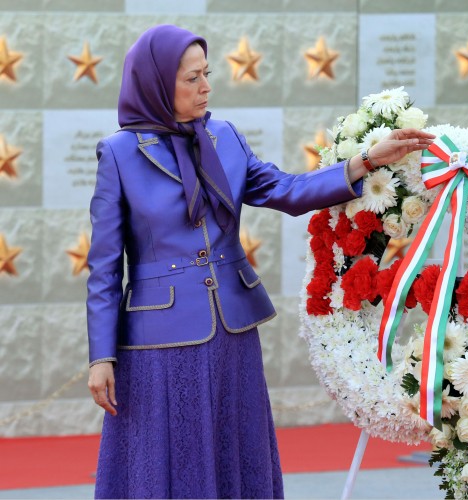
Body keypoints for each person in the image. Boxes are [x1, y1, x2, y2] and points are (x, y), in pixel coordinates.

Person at [86, 24, 435, 499]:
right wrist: (101, 357)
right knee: (169, 458)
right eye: (191, 78)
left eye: (206, 74)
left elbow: (287, 190)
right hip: (158, 342)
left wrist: (365, 162)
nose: (206, 86)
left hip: (233, 329)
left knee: (235, 451)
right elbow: (105, 267)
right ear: (156, 83)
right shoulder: (120, 154)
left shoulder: (225, 136)